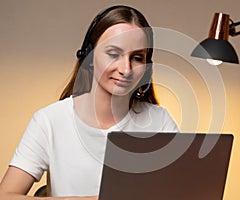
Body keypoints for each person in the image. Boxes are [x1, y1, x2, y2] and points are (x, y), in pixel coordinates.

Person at [0, 5, 179, 200]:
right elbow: (6, 195)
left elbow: (185, 189)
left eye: (137, 58)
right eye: (113, 54)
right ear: (90, 56)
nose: (125, 69)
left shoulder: (160, 121)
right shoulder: (49, 121)